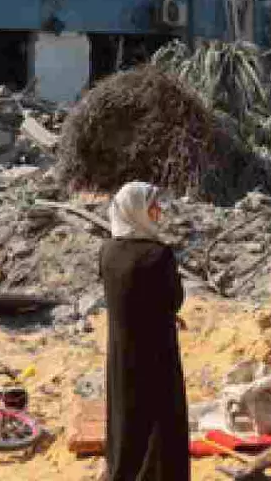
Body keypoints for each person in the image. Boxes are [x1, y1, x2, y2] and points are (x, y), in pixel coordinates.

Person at [100, 181, 190, 481]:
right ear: (137, 210)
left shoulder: (108, 251)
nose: (158, 211)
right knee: (160, 417)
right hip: (156, 350)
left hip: (121, 351)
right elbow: (173, 299)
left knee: (125, 416)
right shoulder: (158, 254)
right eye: (152, 206)